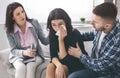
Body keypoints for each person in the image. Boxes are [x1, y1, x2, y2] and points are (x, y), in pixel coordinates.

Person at [68, 2, 120, 78]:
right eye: (92, 19)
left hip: (111, 73)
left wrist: (80, 55)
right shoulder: (102, 27)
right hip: (93, 68)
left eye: (95, 22)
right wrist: (72, 32)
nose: (91, 23)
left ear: (107, 26)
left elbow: (101, 65)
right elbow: (88, 35)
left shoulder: (118, 40)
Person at [5, 2, 49, 78]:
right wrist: (24, 52)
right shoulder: (9, 31)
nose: (22, 15)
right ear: (12, 17)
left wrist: (52, 31)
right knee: (20, 68)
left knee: (30, 66)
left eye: (22, 12)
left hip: (35, 55)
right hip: (18, 56)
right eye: (18, 14)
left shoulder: (34, 23)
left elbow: (45, 41)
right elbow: (13, 50)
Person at [45, 8, 88, 78]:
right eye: (53, 25)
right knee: (50, 66)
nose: (57, 28)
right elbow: (53, 56)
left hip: (76, 64)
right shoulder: (53, 33)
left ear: (66, 22)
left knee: (61, 69)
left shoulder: (75, 34)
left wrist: (60, 40)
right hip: (63, 62)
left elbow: (65, 59)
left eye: (60, 24)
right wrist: (59, 65)